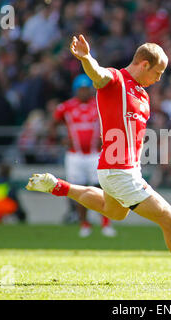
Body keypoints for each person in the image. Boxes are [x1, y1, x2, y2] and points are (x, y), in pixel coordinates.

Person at [26, 34, 171, 284]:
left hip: (123, 169)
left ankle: (59, 186)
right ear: (144, 64)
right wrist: (86, 58)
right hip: (118, 170)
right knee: (169, 218)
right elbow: (98, 74)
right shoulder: (117, 80)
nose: (159, 79)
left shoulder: (143, 95)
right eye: (158, 72)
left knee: (113, 212)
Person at [51, 73, 116, 237]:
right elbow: (52, 123)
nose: (84, 92)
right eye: (81, 89)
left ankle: (106, 223)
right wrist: (60, 139)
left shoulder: (98, 105)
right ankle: (84, 224)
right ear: (76, 90)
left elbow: (113, 120)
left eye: (87, 89)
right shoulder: (66, 107)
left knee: (101, 188)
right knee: (78, 190)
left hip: (95, 154)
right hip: (75, 155)